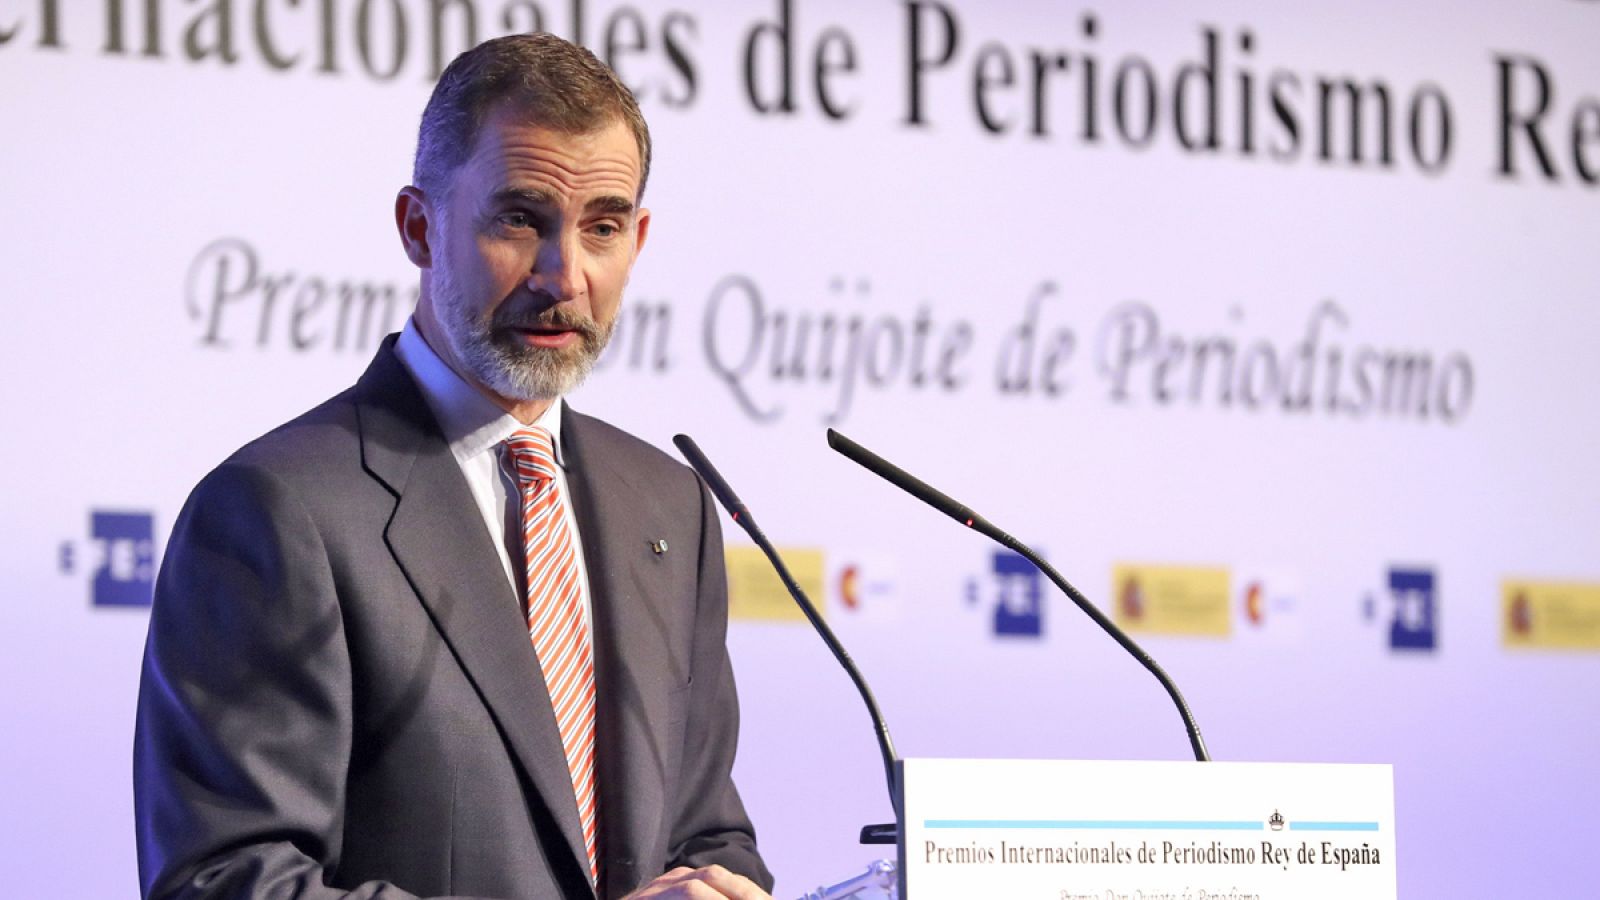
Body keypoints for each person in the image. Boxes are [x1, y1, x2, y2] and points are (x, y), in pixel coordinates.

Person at [134, 33, 774, 900]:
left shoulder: (668, 506)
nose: (566, 275)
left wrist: (722, 886)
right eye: (520, 218)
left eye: (604, 227)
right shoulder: (279, 510)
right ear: (418, 226)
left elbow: (708, 831)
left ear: (640, 237)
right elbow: (225, 878)